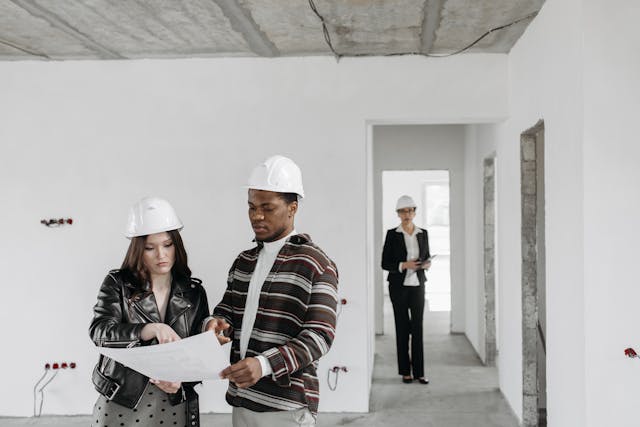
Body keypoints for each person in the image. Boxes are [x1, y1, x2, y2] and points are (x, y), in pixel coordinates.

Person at [203, 155, 338, 427]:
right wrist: (214, 325)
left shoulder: (316, 264)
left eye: (268, 207)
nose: (257, 216)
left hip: (287, 407)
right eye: (251, 207)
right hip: (242, 398)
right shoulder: (244, 261)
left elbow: (320, 336)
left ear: (293, 208)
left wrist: (263, 365)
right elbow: (226, 311)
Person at [89, 197, 210, 427]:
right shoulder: (118, 283)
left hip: (173, 404)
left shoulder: (194, 293)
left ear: (177, 245)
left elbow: (199, 355)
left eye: (167, 245)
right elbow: (100, 332)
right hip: (122, 401)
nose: (161, 255)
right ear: (138, 249)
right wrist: (148, 329)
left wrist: (181, 383)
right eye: (150, 248)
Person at [381, 195, 431, 385]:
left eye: (410, 210)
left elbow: (426, 256)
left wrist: (426, 264)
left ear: (415, 212)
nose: (407, 214)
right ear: (398, 214)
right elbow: (385, 263)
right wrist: (404, 264)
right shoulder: (392, 234)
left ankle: (419, 371)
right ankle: (405, 371)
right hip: (398, 288)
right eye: (403, 211)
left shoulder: (423, 233)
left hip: (418, 286)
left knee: (417, 329)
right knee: (402, 329)